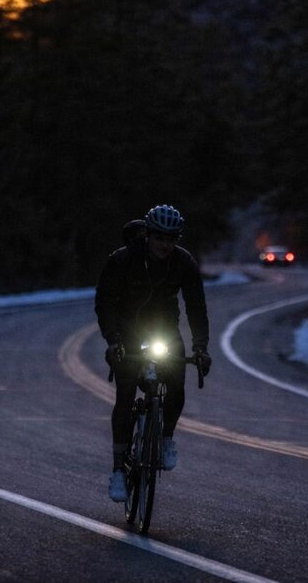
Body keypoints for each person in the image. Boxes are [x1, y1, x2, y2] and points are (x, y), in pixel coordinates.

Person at [95, 204, 212, 502]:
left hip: (164, 331)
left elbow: (196, 307)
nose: (165, 245)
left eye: (172, 239)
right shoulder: (123, 259)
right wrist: (112, 340)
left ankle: (166, 438)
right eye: (160, 238)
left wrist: (200, 347)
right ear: (148, 234)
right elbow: (105, 302)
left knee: (176, 386)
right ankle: (118, 470)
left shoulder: (183, 262)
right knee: (125, 394)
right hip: (127, 333)